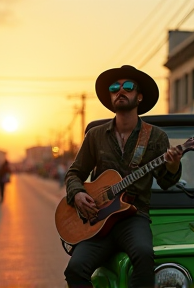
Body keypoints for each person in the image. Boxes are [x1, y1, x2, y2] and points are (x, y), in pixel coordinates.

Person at [63, 65, 183, 288]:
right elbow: (74, 173)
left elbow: (167, 182)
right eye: (114, 87)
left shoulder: (155, 137)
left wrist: (174, 165)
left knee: (144, 255)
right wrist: (78, 194)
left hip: (133, 217)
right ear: (110, 98)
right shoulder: (95, 136)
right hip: (98, 221)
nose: (120, 91)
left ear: (139, 97)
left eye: (127, 86)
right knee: (75, 269)